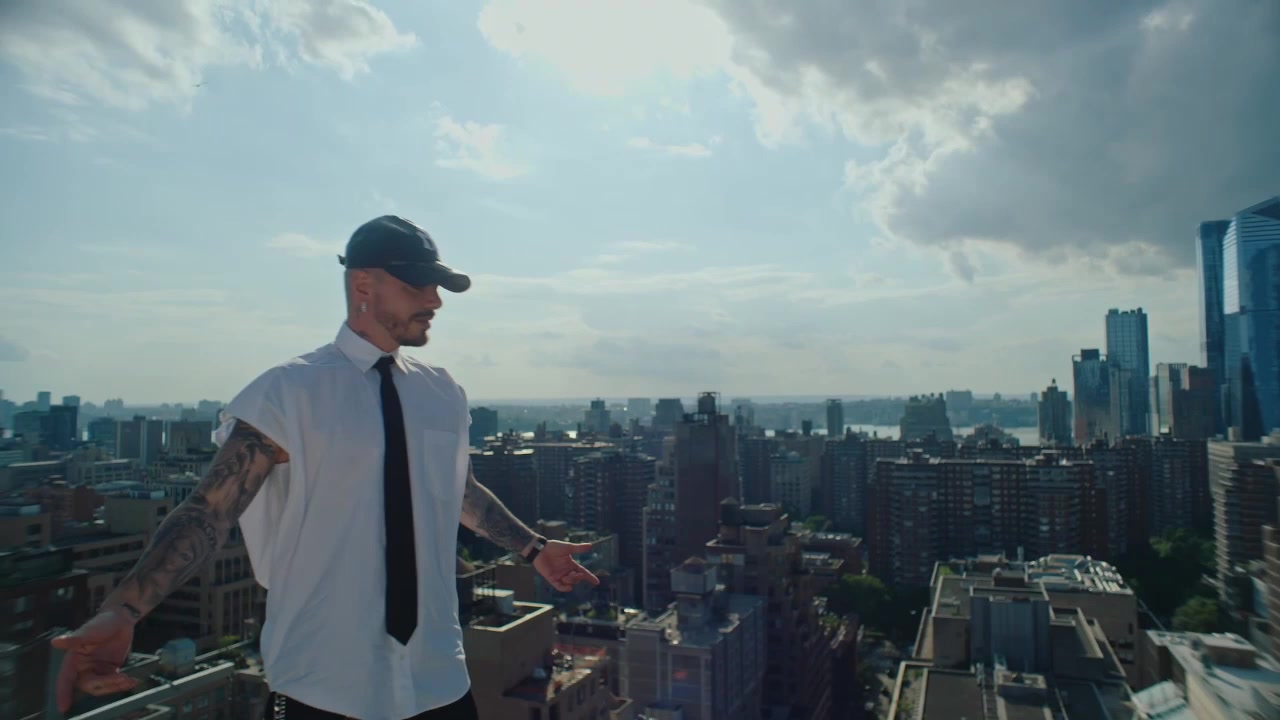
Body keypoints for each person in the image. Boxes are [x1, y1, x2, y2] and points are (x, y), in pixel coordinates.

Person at [52, 215, 601, 719]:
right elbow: (208, 512)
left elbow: (460, 490)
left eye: (437, 286)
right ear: (363, 286)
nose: (434, 300)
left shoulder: (443, 393)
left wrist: (534, 548)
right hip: (320, 686)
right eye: (417, 284)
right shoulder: (287, 392)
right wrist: (125, 609)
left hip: (438, 680)